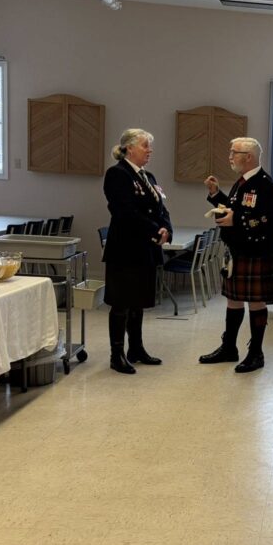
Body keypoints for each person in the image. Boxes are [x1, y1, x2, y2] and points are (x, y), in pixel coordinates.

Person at [198, 137, 273, 373]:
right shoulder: (242, 181)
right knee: (233, 299)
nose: (230, 157)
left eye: (234, 153)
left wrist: (237, 220)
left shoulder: (266, 185)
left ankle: (256, 353)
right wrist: (216, 195)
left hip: (257, 252)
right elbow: (234, 207)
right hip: (237, 250)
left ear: (249, 157)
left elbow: (270, 219)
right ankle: (229, 348)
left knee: (256, 302)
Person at [102, 128, 172, 375]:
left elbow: (161, 208)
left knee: (137, 303)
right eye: (145, 145)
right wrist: (155, 229)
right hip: (125, 249)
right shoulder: (117, 174)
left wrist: (166, 229)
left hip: (145, 249)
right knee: (121, 303)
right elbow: (124, 211)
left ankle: (136, 349)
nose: (149, 150)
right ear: (129, 148)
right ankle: (117, 354)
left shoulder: (147, 176)